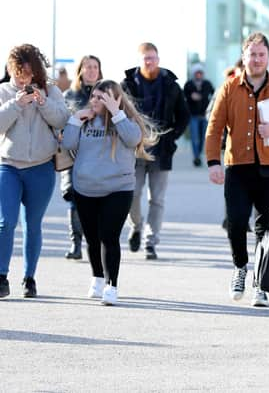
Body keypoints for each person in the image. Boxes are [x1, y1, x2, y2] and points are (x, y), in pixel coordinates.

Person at [205, 32, 269, 307]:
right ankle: (240, 267)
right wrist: (213, 162)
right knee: (235, 221)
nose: (256, 59)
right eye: (252, 54)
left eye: (261, 54)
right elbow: (215, 126)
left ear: (268, 57)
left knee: (264, 227)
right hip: (238, 167)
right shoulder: (230, 87)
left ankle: (260, 282)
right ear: (244, 56)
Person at [62, 80, 158, 305]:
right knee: (92, 239)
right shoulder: (84, 121)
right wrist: (75, 119)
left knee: (109, 237)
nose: (94, 101)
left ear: (114, 99)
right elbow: (67, 143)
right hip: (85, 189)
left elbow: (134, 139)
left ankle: (111, 285)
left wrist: (116, 113)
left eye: (100, 98)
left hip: (118, 189)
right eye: (93, 97)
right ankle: (97, 277)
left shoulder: (125, 121)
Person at [0, 44, 70, 298]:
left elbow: (62, 120)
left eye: (28, 74)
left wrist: (43, 103)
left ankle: (29, 278)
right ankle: (1, 276)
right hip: (8, 165)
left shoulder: (51, 91)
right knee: (5, 222)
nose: (22, 79)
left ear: (36, 71)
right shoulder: (4, 91)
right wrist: (16, 105)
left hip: (40, 167)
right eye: (18, 73)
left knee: (33, 224)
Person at [122, 42, 189, 260]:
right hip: (135, 150)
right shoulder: (128, 85)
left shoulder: (170, 85)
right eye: (145, 58)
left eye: (152, 58)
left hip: (162, 150)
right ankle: (136, 226)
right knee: (132, 193)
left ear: (158, 59)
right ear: (140, 61)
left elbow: (184, 115)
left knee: (157, 199)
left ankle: (151, 242)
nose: (149, 62)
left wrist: (172, 136)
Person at [61, 55, 103, 260]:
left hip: (98, 156)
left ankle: (93, 242)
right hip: (73, 155)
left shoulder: (106, 94)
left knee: (96, 201)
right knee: (73, 200)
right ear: (80, 70)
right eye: (88, 67)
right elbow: (60, 123)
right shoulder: (69, 95)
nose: (92, 70)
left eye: (95, 67)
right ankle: (75, 244)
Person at [184, 64, 215, 167]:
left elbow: (215, 95)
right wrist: (190, 97)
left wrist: (211, 104)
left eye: (200, 73)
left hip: (205, 115)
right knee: (194, 137)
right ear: (194, 74)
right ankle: (196, 157)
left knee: (202, 137)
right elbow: (183, 98)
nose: (199, 75)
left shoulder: (207, 84)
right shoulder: (188, 84)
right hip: (193, 116)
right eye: (197, 73)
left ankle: (199, 154)